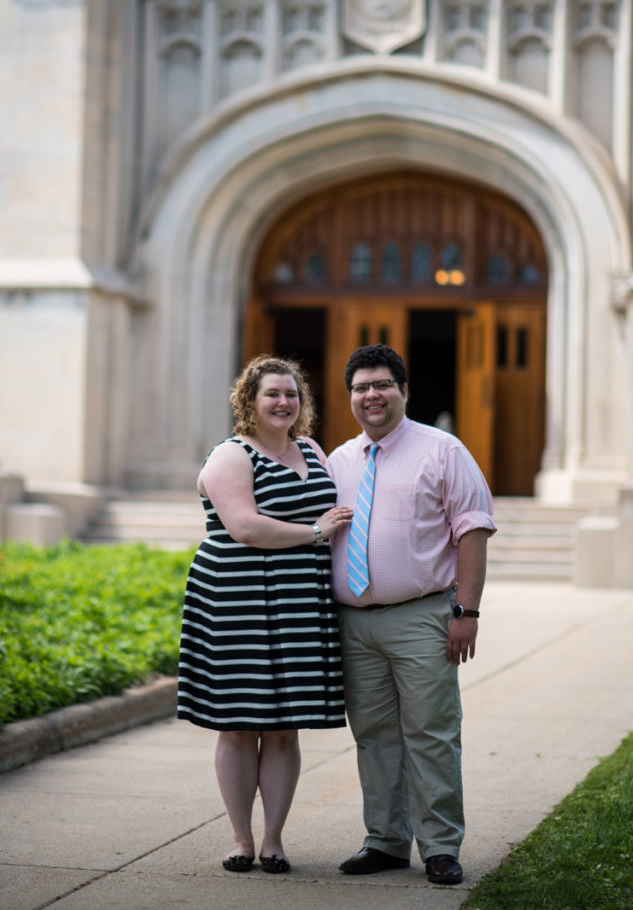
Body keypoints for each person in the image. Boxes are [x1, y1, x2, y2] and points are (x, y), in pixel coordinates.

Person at [325, 344, 496, 886]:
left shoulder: (442, 450)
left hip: (422, 617)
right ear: (349, 396)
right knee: (374, 736)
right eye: (360, 387)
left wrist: (466, 611)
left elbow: (473, 527)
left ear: (404, 391)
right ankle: (386, 840)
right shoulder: (339, 460)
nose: (370, 395)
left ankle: (441, 846)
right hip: (355, 623)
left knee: (431, 732)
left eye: (381, 385)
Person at [177, 355, 353, 875]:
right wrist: (316, 533)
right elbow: (245, 528)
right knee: (237, 724)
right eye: (272, 393)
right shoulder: (231, 455)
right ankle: (240, 840)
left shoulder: (313, 450)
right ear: (249, 401)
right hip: (237, 601)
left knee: (282, 728)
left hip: (301, 601)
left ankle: (274, 840)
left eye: (292, 394)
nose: (283, 402)